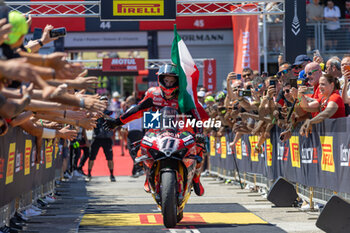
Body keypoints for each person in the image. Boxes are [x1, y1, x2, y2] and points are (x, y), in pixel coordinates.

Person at [104, 63, 207, 196]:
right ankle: (148, 176)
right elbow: (137, 110)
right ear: (161, 80)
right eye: (166, 81)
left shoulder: (183, 96)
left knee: (198, 148)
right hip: (157, 130)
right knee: (141, 148)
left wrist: (199, 133)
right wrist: (117, 122)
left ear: (177, 81)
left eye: (172, 81)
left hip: (181, 131)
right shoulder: (153, 94)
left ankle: (196, 179)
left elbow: (195, 116)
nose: (169, 84)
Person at [88, 108, 116, 182]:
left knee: (110, 157)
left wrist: (104, 115)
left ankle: (112, 174)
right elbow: (90, 120)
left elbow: (114, 121)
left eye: (106, 102)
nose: (104, 104)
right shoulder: (94, 112)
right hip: (96, 137)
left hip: (107, 138)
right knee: (92, 156)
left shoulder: (110, 112)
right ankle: (89, 174)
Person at [122, 95, 144, 178]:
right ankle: (135, 171)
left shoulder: (129, 111)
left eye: (127, 102)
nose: (126, 103)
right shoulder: (140, 109)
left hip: (132, 133)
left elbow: (124, 125)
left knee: (133, 152)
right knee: (138, 151)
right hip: (140, 133)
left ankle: (139, 169)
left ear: (131, 102)